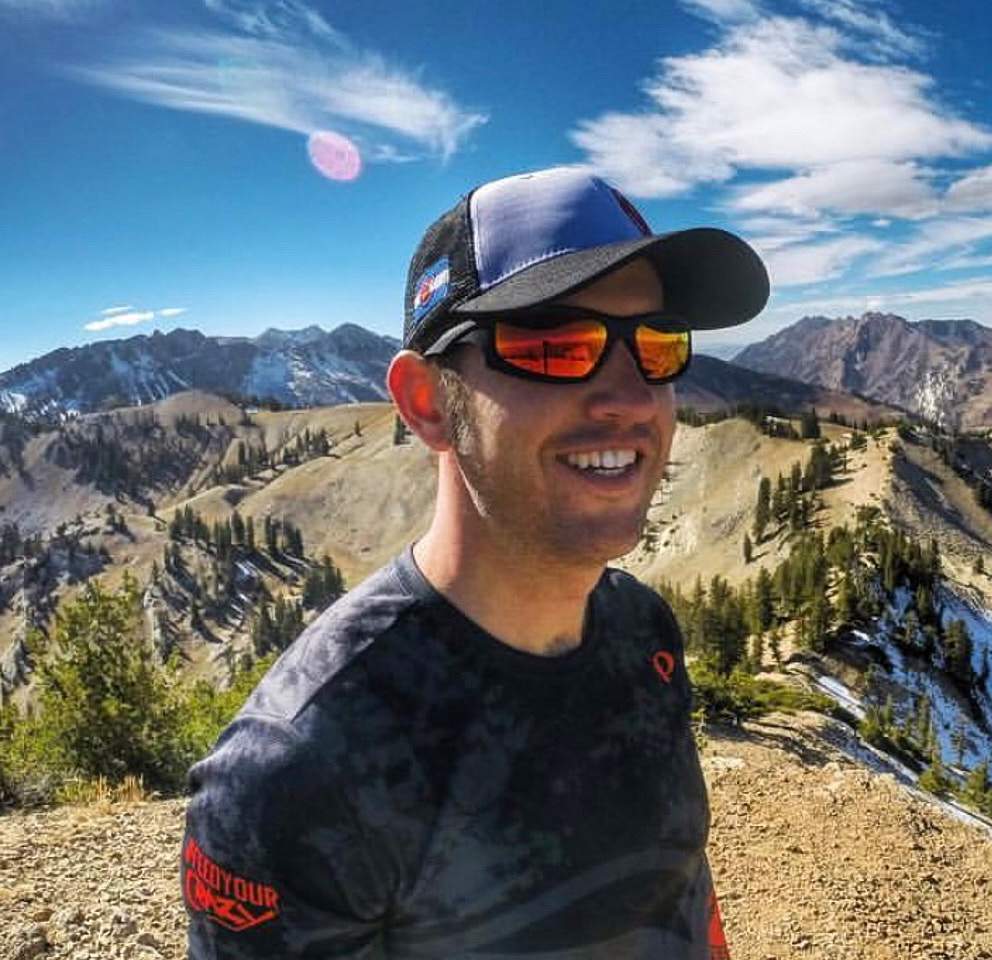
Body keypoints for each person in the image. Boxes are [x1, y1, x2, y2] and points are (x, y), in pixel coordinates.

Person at [181, 166, 769, 958]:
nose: (632, 398)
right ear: (427, 403)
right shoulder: (297, 769)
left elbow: (680, 888)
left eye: (659, 346)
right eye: (556, 347)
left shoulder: (642, 630)